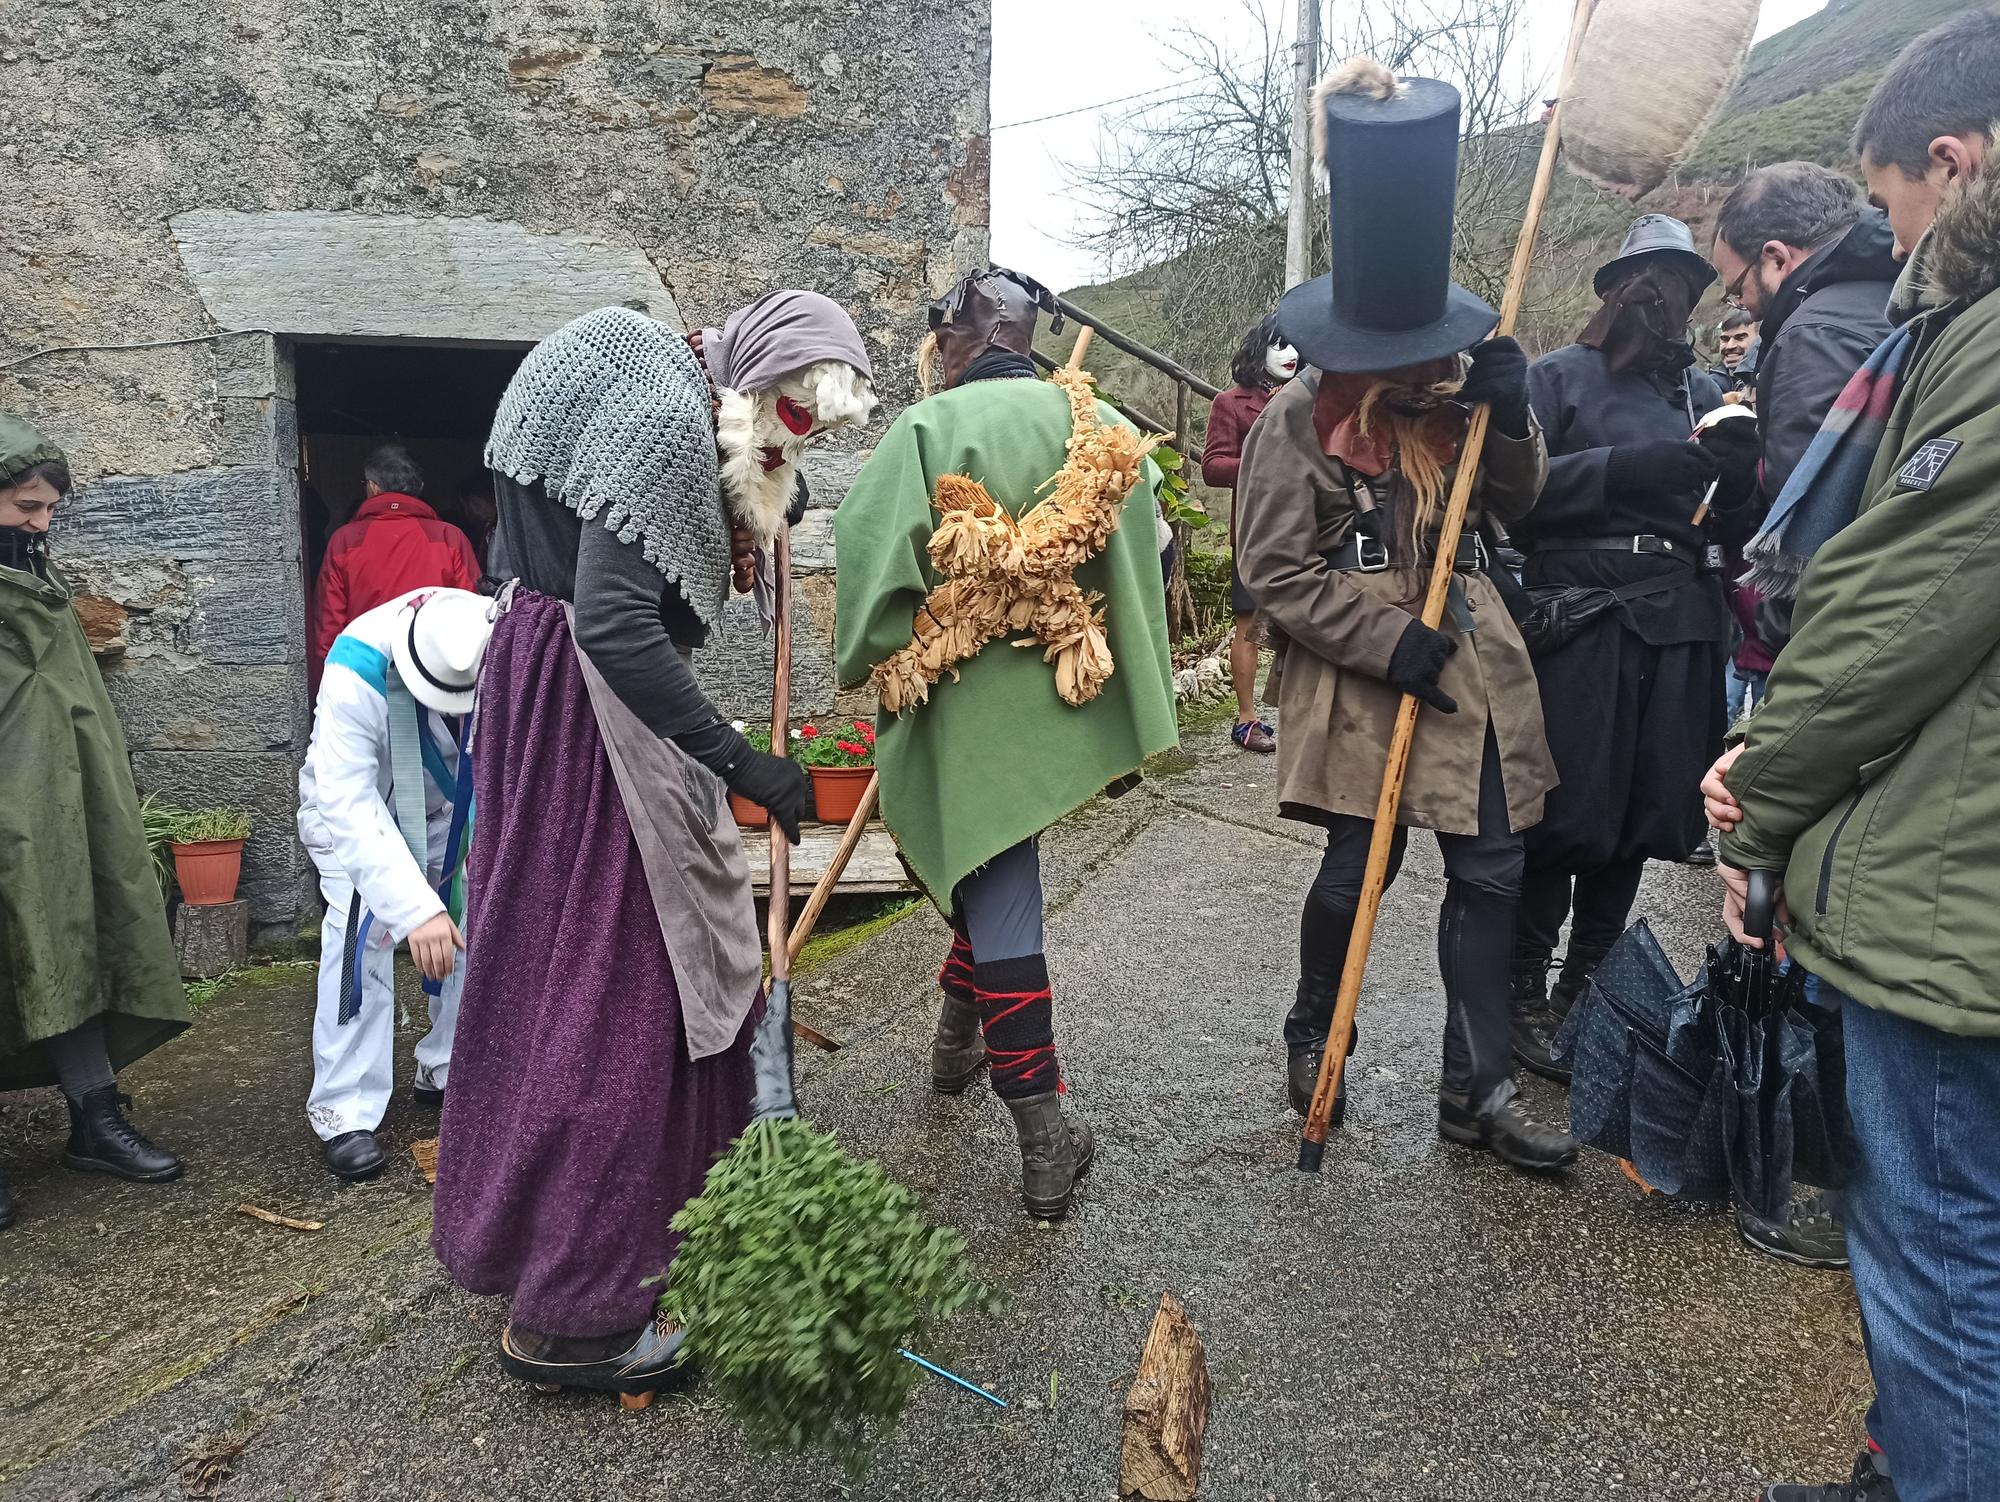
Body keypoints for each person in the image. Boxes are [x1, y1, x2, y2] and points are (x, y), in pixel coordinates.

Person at [431, 296, 872, 1401]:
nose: (784, 438)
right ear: (753, 370)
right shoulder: (660, 419)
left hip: (545, 682)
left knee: (568, 976)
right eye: (784, 412)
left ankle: (644, 1239)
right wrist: (740, 762)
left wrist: (775, 488)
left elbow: (698, 494)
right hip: (590, 715)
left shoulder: (658, 366)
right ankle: (577, 1317)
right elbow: (618, 622)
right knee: (619, 988)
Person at [1708, 12, 2000, 1500]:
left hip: (1959, 891)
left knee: (1947, 1264)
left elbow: (1889, 602)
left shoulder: (1977, 343)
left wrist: (1760, 793)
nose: (1892, 240)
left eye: (1891, 203)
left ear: (1948, 164)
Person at [1235, 60, 1575, 1172]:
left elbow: (1516, 510)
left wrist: (1512, 418)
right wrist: (1391, 638)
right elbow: (1274, 571)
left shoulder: (1463, 398)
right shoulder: (1298, 417)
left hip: (1470, 663)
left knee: (1488, 871)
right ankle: (1309, 1037)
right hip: (1363, 667)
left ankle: (1471, 1087)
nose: (1418, 367)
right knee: (1355, 869)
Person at [835, 266, 1177, 1219]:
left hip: (959, 711)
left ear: (958, 337)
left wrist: (885, 650)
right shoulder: (1100, 427)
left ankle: (1041, 1144)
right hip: (1064, 701)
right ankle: (959, 1052)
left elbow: (870, 575)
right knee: (994, 876)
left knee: (1000, 890)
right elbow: (1152, 551)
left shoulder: (923, 432)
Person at [1504, 216, 1758, 1080]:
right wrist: (1622, 471)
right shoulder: (1557, 379)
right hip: (1583, 619)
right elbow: (1512, 501)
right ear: (1615, 287)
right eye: (1647, 279)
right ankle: (1521, 995)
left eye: (1683, 283)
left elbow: (1733, 531)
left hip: (1680, 620)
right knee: (1564, 812)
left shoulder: (1704, 396)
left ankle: (1588, 987)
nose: (1665, 297)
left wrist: (1738, 473)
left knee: (1642, 814)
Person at [1709, 162, 1901, 1269]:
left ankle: (1831, 1170)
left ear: (1776, 259)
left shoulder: (1819, 332)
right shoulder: (1895, 304)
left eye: (1738, 283)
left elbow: (1823, 546)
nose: (1739, 308)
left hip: (1824, 663)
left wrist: (1769, 711)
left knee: (1799, 897)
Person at [0, 415, 186, 1230]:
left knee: (74, 941)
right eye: (27, 507)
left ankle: (96, 1119)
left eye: (48, 511)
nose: (41, 525)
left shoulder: (37, 586)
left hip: (60, 813)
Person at [296, 587, 491, 1181]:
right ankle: (345, 1109)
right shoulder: (355, 668)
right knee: (361, 937)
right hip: (362, 812)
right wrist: (412, 908)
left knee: (471, 926)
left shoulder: (482, 631)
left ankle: (448, 1067)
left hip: (451, 814)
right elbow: (346, 799)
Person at [308, 444, 481, 695]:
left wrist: (323, 691)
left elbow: (328, 628)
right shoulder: (451, 538)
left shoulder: (344, 540)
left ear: (373, 487)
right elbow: (472, 614)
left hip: (365, 678)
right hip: (438, 678)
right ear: (419, 489)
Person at [1202, 314, 1296, 754]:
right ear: (1259, 350)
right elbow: (1213, 466)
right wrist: (1264, 467)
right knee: (1249, 627)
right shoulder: (1231, 402)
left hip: (1307, 532)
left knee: (1310, 624)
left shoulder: (1314, 399)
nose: (1292, 354)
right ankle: (1246, 721)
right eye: (1280, 345)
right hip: (1256, 534)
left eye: (1297, 345)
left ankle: (1305, 717)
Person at [1712, 306, 1760, 391]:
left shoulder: (1772, 381)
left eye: (1740, 338)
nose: (1730, 346)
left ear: (1759, 340)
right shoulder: (1708, 388)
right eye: (1725, 339)